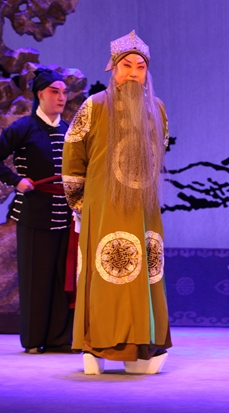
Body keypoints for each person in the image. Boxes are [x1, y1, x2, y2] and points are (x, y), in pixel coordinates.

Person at [62, 30, 171, 375]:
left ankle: (143, 345)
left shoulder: (157, 109)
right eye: (127, 65)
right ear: (113, 68)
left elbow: (159, 153)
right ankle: (97, 346)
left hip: (144, 209)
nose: (134, 73)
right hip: (103, 206)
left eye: (140, 67)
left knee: (144, 274)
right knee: (107, 275)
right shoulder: (94, 105)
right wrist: (81, 203)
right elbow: (72, 156)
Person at [0, 67, 74, 354]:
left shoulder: (69, 130)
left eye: (64, 92)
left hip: (66, 215)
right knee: (36, 278)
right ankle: (34, 340)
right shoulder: (24, 127)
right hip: (34, 213)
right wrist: (16, 181)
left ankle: (60, 338)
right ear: (40, 95)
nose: (61, 97)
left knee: (62, 278)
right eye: (55, 92)